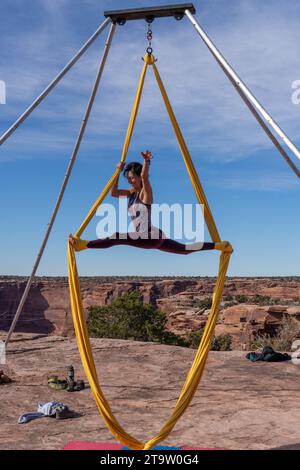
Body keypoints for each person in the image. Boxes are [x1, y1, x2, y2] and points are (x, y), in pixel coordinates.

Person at [69, 151, 228, 254]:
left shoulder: (146, 193)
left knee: (116, 236)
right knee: (184, 249)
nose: (131, 181)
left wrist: (146, 162)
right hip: (150, 236)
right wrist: (117, 172)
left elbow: (145, 178)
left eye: (132, 177)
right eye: (129, 178)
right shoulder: (130, 193)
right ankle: (219, 246)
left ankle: (83, 245)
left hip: (149, 236)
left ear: (139, 176)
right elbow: (113, 193)